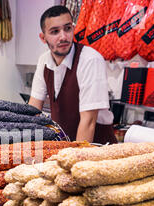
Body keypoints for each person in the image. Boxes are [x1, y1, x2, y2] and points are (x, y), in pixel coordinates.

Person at [28, 5, 117, 144]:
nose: (63, 36)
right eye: (55, 31)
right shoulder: (44, 61)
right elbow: (33, 109)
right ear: (43, 37)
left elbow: (88, 122)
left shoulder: (90, 59)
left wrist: (74, 160)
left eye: (67, 28)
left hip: (96, 149)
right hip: (65, 146)